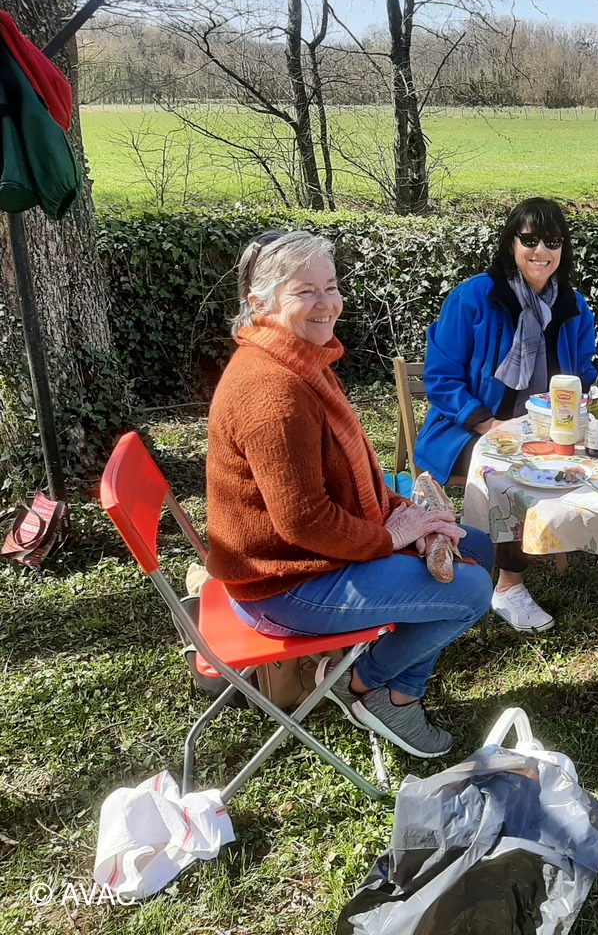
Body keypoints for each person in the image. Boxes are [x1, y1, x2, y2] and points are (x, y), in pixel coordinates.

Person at [205, 230, 494, 760]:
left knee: (476, 545)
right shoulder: (273, 390)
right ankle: (360, 684)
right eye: (305, 292)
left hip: (307, 558)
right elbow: (303, 521)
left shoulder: (301, 361)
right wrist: (390, 537)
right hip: (281, 584)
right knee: (471, 591)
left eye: (331, 287)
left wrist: (404, 512)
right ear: (260, 303)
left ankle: (398, 693)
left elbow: (346, 477)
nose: (327, 304)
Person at [415, 197, 598, 646]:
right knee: (522, 472)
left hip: (554, 427)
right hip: (472, 429)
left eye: (552, 241)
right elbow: (441, 378)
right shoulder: (474, 297)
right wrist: (488, 424)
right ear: (511, 244)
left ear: (562, 249)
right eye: (530, 240)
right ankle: (507, 587)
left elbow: (581, 374)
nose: (541, 251)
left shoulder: (573, 305)